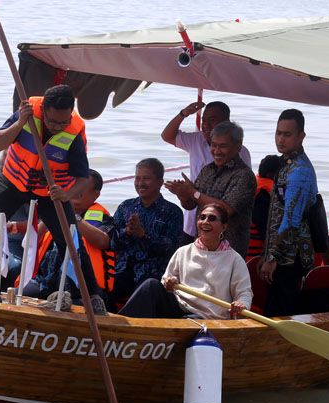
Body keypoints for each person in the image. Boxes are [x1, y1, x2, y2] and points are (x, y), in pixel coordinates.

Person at [0, 84, 104, 310]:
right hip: (13, 181)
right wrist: (20, 123)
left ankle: (91, 295)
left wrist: (66, 194)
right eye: (53, 121)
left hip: (50, 191)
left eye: (63, 122)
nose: (57, 127)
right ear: (44, 109)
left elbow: (82, 178)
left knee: (70, 240)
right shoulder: (27, 110)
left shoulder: (74, 130)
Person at [120, 204, 252, 319]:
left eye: (212, 218)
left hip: (207, 316)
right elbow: (166, 280)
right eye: (202, 217)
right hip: (180, 307)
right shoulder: (183, 251)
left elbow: (244, 293)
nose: (205, 222)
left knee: (189, 321)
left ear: (223, 227)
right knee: (151, 285)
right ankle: (119, 325)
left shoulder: (234, 259)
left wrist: (242, 304)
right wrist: (169, 282)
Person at [17, 170, 115, 305]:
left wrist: (72, 217)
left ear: (95, 195)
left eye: (81, 191)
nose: (76, 194)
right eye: (74, 187)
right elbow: (29, 240)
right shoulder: (56, 210)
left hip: (79, 288)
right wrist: (50, 216)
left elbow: (103, 241)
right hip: (45, 282)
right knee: (19, 294)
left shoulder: (103, 218)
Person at [161, 101, 252, 241]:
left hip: (228, 243)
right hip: (197, 232)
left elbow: (226, 209)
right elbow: (191, 204)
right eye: (214, 146)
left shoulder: (244, 174)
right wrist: (183, 193)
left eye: (222, 146)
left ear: (237, 147)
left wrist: (192, 192)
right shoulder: (207, 169)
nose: (216, 151)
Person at [260, 109, 319, 316]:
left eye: (287, 134)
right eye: (278, 133)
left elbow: (291, 221)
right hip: (282, 255)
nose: (281, 139)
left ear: (301, 136)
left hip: (291, 257)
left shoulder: (299, 170)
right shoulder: (286, 164)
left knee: (280, 312)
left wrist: (272, 257)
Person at [109, 158, 184, 305]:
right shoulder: (126, 206)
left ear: (160, 182)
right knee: (100, 288)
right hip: (122, 270)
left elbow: (171, 249)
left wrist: (143, 235)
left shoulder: (172, 212)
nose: (140, 183)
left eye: (146, 178)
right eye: (137, 178)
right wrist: (128, 231)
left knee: (146, 290)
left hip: (152, 273)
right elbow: (112, 242)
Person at [248, 155, 282, 259]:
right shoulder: (262, 195)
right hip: (254, 251)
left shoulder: (254, 184)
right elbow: (264, 227)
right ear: (270, 174)